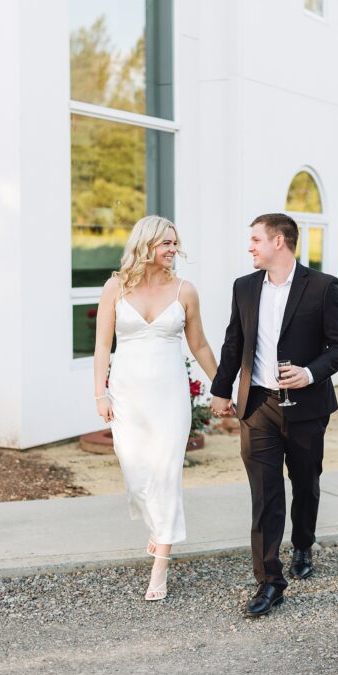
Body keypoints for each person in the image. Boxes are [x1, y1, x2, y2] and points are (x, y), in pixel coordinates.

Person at [210, 213, 338, 618]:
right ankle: (269, 581)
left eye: (256, 239)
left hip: (307, 407)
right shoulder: (244, 287)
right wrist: (222, 390)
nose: (250, 246)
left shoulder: (323, 287)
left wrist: (309, 373)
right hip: (258, 406)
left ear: (279, 241)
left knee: (305, 482)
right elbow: (233, 342)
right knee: (265, 494)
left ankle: (304, 543)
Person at [93, 216, 220, 601]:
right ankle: (157, 528)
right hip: (126, 395)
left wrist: (224, 384)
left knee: (166, 475)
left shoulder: (185, 291)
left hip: (170, 398)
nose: (173, 250)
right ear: (145, 244)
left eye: (175, 244)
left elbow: (199, 345)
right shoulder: (115, 287)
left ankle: (161, 564)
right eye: (167, 243)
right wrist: (99, 393)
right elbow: (102, 346)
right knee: (134, 472)